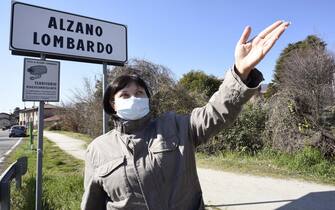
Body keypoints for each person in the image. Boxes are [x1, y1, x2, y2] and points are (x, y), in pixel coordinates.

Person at [81, 20, 290, 210]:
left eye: (139, 93)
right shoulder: (97, 150)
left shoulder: (175, 126)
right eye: (124, 95)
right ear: (112, 103)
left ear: (147, 99)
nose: (133, 98)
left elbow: (215, 113)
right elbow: (92, 204)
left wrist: (241, 72)